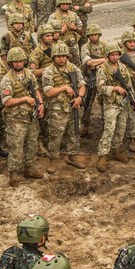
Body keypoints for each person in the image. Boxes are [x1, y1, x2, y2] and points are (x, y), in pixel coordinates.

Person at [0, 47, 45, 186]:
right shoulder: (7, 80)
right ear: (11, 63)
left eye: (21, 61)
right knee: (16, 146)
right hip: (15, 118)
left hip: (30, 115)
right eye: (16, 61)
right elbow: (6, 101)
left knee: (32, 143)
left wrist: (40, 103)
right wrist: (24, 99)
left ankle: (29, 167)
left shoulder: (28, 74)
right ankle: (13, 174)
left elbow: (36, 89)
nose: (18, 64)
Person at [40, 43, 86, 172]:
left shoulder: (73, 68)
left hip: (74, 105)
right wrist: (64, 88)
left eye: (64, 56)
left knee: (74, 132)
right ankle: (53, 160)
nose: (61, 59)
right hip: (57, 109)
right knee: (55, 135)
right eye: (58, 56)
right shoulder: (48, 71)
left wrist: (80, 98)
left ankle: (72, 157)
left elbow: (82, 84)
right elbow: (48, 92)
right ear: (53, 57)